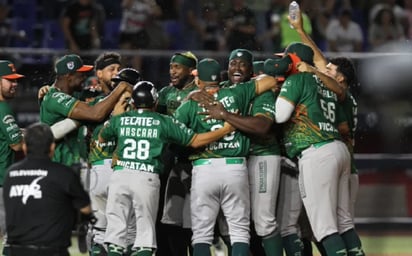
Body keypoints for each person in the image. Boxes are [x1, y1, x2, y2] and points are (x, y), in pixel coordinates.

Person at [99, 80, 235, 256]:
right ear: (155, 102)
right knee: (145, 234)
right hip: (146, 177)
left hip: (120, 175)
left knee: (115, 235)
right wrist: (225, 130)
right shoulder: (163, 121)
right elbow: (195, 141)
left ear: (133, 102)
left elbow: (102, 137)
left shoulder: (120, 120)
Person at [175, 58, 279, 256]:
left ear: (199, 81)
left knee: (202, 235)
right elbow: (271, 81)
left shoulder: (189, 104)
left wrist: (192, 97)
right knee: (240, 232)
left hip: (204, 168)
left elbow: (174, 134)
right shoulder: (237, 92)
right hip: (235, 168)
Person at [273, 42, 363, 256]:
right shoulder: (329, 86)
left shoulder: (298, 79)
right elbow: (342, 126)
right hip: (339, 150)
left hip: (316, 152)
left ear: (296, 62)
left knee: (324, 227)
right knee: (344, 223)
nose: (282, 63)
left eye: (286, 59)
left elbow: (280, 116)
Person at [3, 122, 93, 256]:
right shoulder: (64, 173)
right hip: (52, 250)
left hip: (16, 250)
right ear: (52, 147)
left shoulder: (10, 173)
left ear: (24, 147)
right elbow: (86, 208)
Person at [39, 54, 132, 168]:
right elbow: (95, 114)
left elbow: (97, 95)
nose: (84, 78)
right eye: (81, 74)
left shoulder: (74, 94)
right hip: (60, 164)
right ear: (69, 76)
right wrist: (121, 87)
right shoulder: (55, 97)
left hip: (74, 164)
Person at [157, 51, 198, 256]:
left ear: (191, 71)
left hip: (193, 160)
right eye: (171, 66)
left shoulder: (200, 92)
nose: (172, 71)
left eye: (177, 67)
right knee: (168, 218)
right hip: (169, 162)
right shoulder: (166, 93)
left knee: (194, 219)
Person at [0, 60, 24, 255]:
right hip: (1, 181)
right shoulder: (3, 109)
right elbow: (17, 145)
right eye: (9, 80)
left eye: (16, 80)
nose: (14, 84)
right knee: (12, 236)